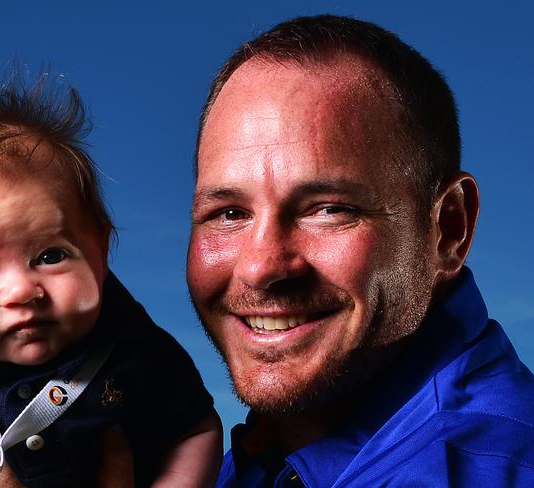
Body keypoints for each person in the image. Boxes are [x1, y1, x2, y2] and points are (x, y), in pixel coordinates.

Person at [186, 14, 534, 486]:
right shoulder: (265, 453)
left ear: (449, 228)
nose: (259, 264)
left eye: (328, 209)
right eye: (228, 213)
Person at [0, 76, 222, 488]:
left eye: (50, 256)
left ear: (100, 251)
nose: (22, 291)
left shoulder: (131, 342)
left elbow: (196, 430)